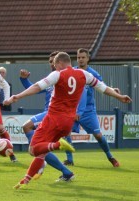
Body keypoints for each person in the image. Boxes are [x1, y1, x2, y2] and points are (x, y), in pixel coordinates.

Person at [8, 52, 131, 189]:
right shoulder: (84, 74)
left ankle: (58, 145)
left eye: (55, 65)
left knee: (33, 149)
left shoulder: (58, 74)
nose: (54, 68)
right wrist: (119, 97)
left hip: (53, 118)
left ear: (60, 63)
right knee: (42, 152)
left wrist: (17, 96)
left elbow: (38, 86)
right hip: (68, 122)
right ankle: (26, 180)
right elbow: (103, 88)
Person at [18, 51, 77, 180]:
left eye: (53, 62)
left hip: (54, 114)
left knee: (28, 129)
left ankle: (42, 157)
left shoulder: (67, 76)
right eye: (50, 62)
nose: (51, 64)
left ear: (59, 62)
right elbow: (35, 88)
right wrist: (24, 79)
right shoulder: (53, 77)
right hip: (51, 114)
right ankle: (64, 170)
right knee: (40, 144)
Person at [63, 48, 121, 167]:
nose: (80, 60)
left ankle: (110, 156)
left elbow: (102, 86)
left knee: (98, 135)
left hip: (88, 110)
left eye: (83, 57)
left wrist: (113, 89)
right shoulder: (72, 72)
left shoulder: (93, 73)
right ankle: (69, 159)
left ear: (88, 59)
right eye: (79, 57)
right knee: (66, 132)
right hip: (72, 109)